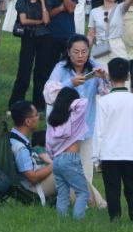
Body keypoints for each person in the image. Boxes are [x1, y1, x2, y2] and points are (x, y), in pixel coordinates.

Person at [44, 35, 110, 208]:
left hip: (86, 126)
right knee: (68, 168)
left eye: (84, 52)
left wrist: (104, 78)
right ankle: (81, 201)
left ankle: (84, 202)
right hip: (65, 128)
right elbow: (48, 93)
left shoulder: (94, 67)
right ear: (69, 52)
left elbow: (106, 93)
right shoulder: (60, 68)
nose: (80, 56)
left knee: (86, 168)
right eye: (76, 52)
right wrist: (70, 83)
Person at [94, 57, 133, 223]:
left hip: (109, 154)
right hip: (130, 153)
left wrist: (96, 158)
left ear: (109, 76)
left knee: (112, 189)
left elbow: (99, 132)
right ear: (129, 76)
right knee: (132, 188)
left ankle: (114, 219)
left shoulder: (103, 101)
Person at [10, 0, 55, 112]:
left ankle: (39, 104)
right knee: (24, 71)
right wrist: (39, 22)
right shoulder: (22, 2)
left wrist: (42, 1)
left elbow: (47, 20)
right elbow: (23, 21)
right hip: (28, 38)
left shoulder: (46, 1)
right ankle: (16, 103)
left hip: (44, 38)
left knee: (41, 72)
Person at [44, 86, 91, 220]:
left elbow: (48, 145)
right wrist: (68, 101)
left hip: (57, 161)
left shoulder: (53, 123)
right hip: (71, 159)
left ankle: (62, 221)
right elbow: (84, 102)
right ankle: (78, 220)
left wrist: (61, 101)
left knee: (62, 194)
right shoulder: (74, 118)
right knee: (82, 192)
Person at [9, 100, 56, 206]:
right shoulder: (20, 148)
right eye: (36, 115)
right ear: (28, 122)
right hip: (32, 190)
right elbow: (32, 178)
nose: (38, 117)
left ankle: (91, 202)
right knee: (66, 170)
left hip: (30, 185)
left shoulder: (13, 136)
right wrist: (55, 164)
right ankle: (87, 204)